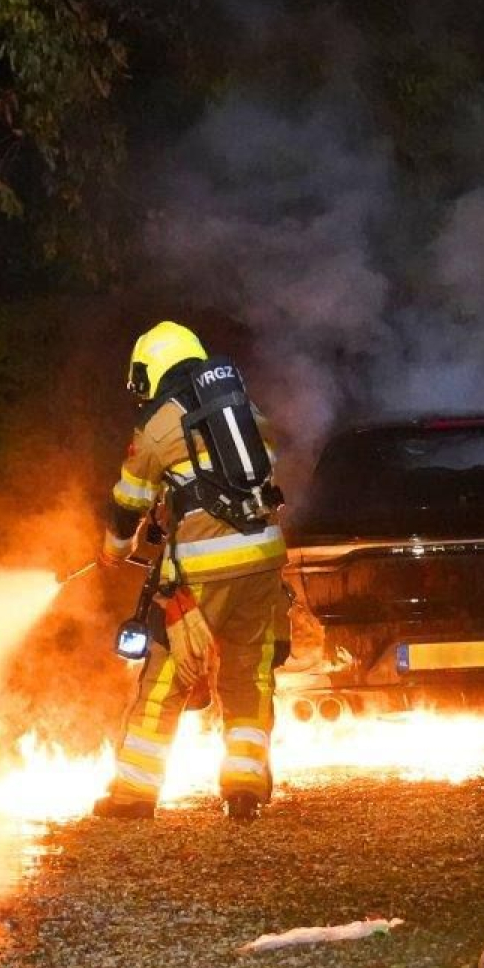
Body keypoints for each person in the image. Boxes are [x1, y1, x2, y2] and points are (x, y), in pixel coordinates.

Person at [90, 321, 290, 820]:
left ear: (151, 370)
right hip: (263, 563)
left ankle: (134, 795)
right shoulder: (249, 414)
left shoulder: (158, 425)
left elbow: (129, 499)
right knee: (250, 675)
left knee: (167, 678)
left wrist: (117, 546)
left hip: (202, 571)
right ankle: (244, 789)